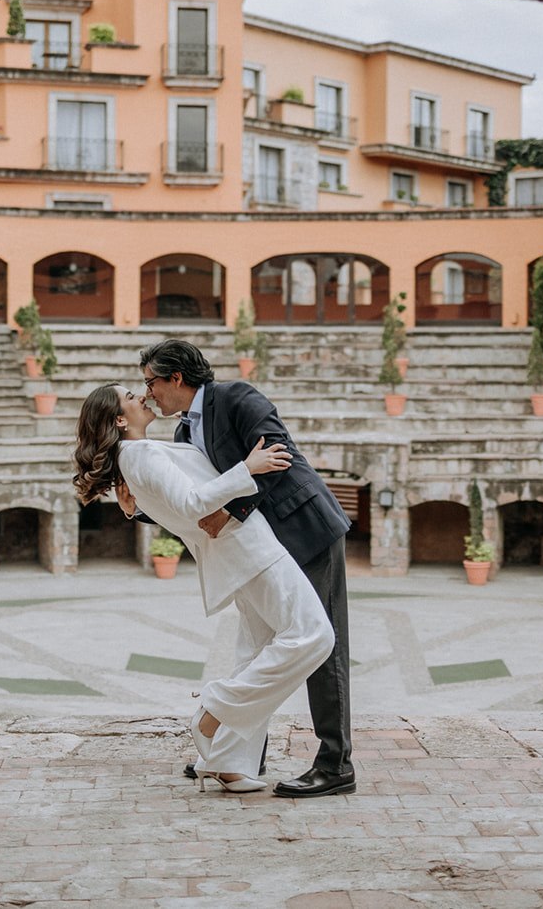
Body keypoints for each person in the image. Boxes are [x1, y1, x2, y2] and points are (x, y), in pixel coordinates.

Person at [72, 384, 334, 793]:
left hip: (236, 554)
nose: (142, 395)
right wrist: (250, 467)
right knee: (315, 635)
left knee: (256, 654)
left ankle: (226, 760)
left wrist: (135, 508)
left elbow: (175, 500)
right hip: (249, 549)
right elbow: (193, 503)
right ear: (119, 420)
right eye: (129, 395)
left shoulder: (136, 457)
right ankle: (215, 709)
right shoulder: (138, 455)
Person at [139, 339, 356, 799]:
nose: (149, 393)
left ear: (176, 377)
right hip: (259, 551)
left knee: (321, 645)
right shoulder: (182, 434)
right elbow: (196, 495)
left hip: (304, 530)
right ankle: (238, 755)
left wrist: (231, 513)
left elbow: (277, 455)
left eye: (151, 382)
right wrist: (135, 508)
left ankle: (335, 765)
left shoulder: (237, 397)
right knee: (256, 650)